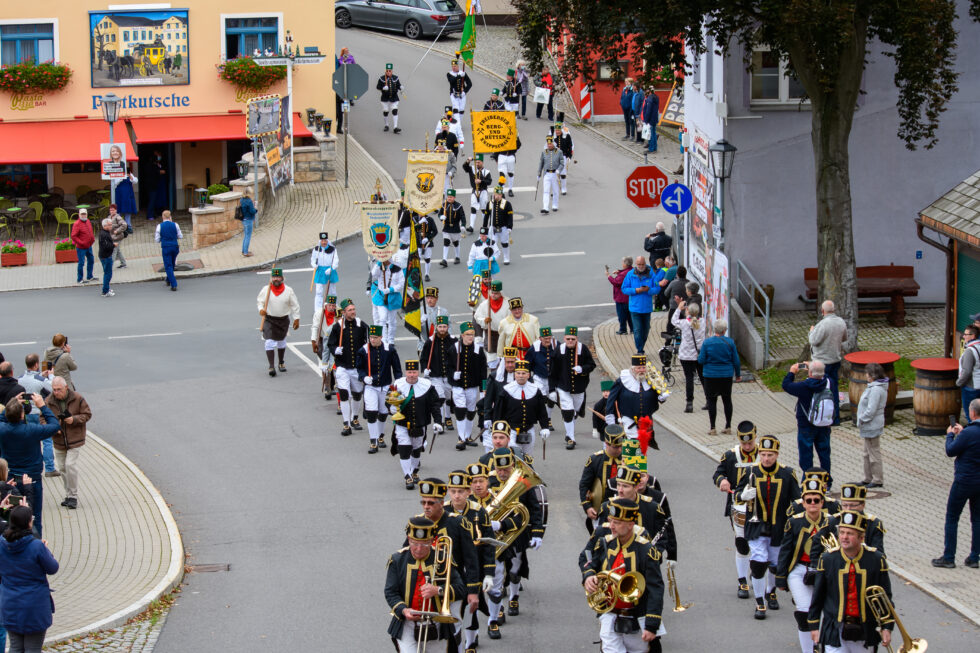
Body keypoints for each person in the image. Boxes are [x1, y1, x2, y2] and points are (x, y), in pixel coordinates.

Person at [582, 497, 665, 652]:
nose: (611, 526)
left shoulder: (646, 550)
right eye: (610, 520)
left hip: (636, 618)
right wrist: (589, 576)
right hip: (610, 614)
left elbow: (656, 588)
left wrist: (651, 625)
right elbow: (590, 562)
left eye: (617, 522)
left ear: (630, 525)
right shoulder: (605, 542)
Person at [413, 478, 484, 650]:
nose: (426, 507)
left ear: (441, 503)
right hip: (424, 587)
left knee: (454, 630)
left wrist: (473, 591)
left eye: (431, 503)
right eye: (423, 502)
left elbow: (471, 560)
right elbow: (408, 554)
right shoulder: (418, 523)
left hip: (452, 586)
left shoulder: (457, 523)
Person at [808, 511, 893, 653]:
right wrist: (814, 625)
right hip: (835, 628)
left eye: (850, 533)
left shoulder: (876, 559)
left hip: (865, 630)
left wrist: (887, 627)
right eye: (842, 532)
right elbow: (818, 596)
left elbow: (885, 598)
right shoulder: (828, 559)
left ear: (861, 537)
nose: (844, 537)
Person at [735, 436, 800, 620]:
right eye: (763, 454)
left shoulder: (787, 474)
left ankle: (771, 591)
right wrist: (744, 495)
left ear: (777, 454)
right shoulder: (751, 471)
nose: (766, 458)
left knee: (774, 564)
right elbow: (737, 496)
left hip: (779, 528)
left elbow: (797, 501)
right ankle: (759, 601)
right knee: (758, 562)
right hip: (756, 527)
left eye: (770, 455)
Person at [384, 516, 464, 652]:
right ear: (408, 540)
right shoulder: (397, 560)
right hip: (407, 624)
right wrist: (404, 610)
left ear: (432, 541)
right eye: (414, 543)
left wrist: (438, 590)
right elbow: (390, 592)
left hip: (436, 622)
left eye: (425, 544)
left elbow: (461, 589)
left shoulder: (442, 558)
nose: (419, 549)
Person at [485, 447, 544, 633]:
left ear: (512, 466)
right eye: (499, 470)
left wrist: (537, 533)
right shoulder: (488, 481)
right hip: (495, 535)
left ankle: (514, 597)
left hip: (517, 533)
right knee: (497, 573)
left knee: (515, 568)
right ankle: (498, 608)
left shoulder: (521, 480)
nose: (503, 474)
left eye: (506, 470)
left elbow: (534, 508)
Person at [775, 478, 829, 653]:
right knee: (804, 612)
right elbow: (785, 551)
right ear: (803, 503)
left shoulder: (832, 523)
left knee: (827, 611)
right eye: (808, 500)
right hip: (799, 570)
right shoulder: (795, 522)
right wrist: (781, 577)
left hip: (824, 572)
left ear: (822, 502)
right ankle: (809, 649)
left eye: (816, 500)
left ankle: (822, 644)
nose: (812, 503)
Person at [0, 505, 59, 653]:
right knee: (33, 649)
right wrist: (46, 550)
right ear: (28, 523)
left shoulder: (2, 543)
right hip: (34, 607)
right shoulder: (36, 546)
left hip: (10, 604)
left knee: (15, 647)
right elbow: (53, 568)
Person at [0, 393, 61, 536]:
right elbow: (55, 425)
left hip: (11, 479)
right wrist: (42, 406)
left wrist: (10, 405)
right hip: (32, 478)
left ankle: (13, 541)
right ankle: (36, 544)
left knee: (10, 513)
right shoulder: (32, 430)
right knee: (34, 516)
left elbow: (1, 418)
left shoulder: (2, 429)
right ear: (22, 415)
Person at [712, 421, 759, 600]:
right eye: (744, 443)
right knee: (742, 543)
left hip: (761, 508)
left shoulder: (764, 454)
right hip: (738, 506)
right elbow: (718, 474)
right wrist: (722, 481)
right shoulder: (731, 456)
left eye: (750, 443)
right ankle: (742, 581)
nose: (747, 447)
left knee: (759, 543)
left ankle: (757, 573)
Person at [932, 397, 980, 568]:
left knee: (952, 517)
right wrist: (962, 432)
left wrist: (950, 435)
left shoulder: (968, 434)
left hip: (964, 481)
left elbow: (951, 451)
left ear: (972, 412)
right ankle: (974, 557)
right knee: (977, 519)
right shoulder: (969, 432)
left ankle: (949, 556)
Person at [389, 360, 444, 489]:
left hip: (420, 424)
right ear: (406, 372)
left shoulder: (427, 386)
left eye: (414, 372)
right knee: (404, 449)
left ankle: (414, 471)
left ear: (418, 372)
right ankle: (407, 476)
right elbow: (389, 400)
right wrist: (390, 408)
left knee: (416, 450)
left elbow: (435, 404)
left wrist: (437, 421)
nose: (412, 375)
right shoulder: (398, 385)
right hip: (402, 424)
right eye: (409, 372)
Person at [45, 377, 91, 512]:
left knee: (70, 465)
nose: (56, 392)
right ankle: (68, 494)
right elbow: (42, 417)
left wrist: (74, 419)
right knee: (62, 467)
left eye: (59, 389)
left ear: (66, 388)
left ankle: (73, 496)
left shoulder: (77, 398)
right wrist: (53, 428)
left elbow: (87, 414)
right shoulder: (49, 400)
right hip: (59, 440)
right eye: (54, 390)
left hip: (74, 438)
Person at [356, 325, 402, 454]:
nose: (372, 340)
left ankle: (380, 436)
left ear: (381, 337)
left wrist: (398, 385)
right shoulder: (363, 350)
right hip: (370, 387)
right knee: (371, 412)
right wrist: (364, 377)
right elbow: (359, 368)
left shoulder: (389, 350)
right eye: (371, 337)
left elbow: (397, 369)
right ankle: (373, 441)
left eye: (375, 337)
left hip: (385, 386)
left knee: (383, 413)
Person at [783, 360, 833, 477]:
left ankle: (809, 480)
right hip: (824, 424)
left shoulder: (803, 386)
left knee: (806, 456)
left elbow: (786, 385)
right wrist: (817, 369)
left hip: (806, 425)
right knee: (824, 454)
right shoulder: (829, 383)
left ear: (809, 373)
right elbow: (825, 376)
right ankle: (826, 482)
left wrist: (792, 372)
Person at [327, 299, 368, 436]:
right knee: (344, 394)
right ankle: (346, 424)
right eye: (350, 310)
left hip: (356, 367)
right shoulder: (337, 327)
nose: (353, 312)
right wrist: (335, 350)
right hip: (342, 366)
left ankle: (355, 418)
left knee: (357, 394)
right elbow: (331, 344)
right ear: (343, 312)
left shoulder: (361, 325)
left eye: (354, 309)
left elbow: (369, 340)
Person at [604, 353, 664, 446]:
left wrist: (662, 397)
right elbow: (611, 400)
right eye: (638, 368)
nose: (641, 371)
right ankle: (631, 460)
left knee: (642, 447)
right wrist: (610, 417)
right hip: (628, 419)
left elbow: (658, 396)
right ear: (632, 369)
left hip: (645, 421)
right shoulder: (622, 381)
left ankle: (636, 460)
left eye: (643, 368)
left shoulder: (651, 381)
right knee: (633, 445)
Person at [493, 360, 550, 457]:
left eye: (524, 373)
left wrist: (545, 427)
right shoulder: (506, 390)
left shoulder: (535, 390)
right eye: (518, 373)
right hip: (511, 430)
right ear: (515, 375)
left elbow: (542, 411)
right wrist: (497, 428)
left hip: (529, 429)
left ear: (528, 375)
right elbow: (499, 411)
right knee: (514, 456)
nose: (521, 376)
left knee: (528, 457)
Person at [579, 425, 626, 532]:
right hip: (601, 511)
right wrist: (588, 507)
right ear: (606, 443)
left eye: (621, 446)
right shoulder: (595, 460)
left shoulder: (628, 459)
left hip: (624, 511)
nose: (619, 450)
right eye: (615, 447)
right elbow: (584, 485)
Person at [15, 356, 56, 478]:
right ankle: (49, 468)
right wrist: (51, 376)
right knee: (47, 441)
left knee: (31, 441)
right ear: (37, 364)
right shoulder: (40, 379)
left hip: (26, 414)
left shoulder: (20, 378)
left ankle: (30, 466)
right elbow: (52, 388)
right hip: (39, 413)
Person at [698, 319, 740, 435]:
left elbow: (701, 360)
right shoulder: (730, 342)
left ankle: (712, 428)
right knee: (727, 400)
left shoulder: (707, 343)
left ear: (714, 330)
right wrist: (738, 375)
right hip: (726, 375)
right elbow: (736, 360)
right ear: (725, 330)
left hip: (710, 376)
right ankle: (728, 426)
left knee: (711, 401)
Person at [808, 301, 847, 425]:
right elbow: (845, 338)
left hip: (822, 363)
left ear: (822, 311)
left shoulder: (822, 324)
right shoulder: (841, 322)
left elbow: (814, 341)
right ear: (834, 309)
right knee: (833, 389)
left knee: (819, 389)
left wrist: (811, 331)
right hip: (835, 359)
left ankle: (819, 417)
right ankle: (835, 418)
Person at [256, 268, 301, 376]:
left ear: (282, 278)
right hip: (269, 319)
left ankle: (281, 362)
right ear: (271, 278)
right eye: (274, 277)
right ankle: (271, 366)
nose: (276, 279)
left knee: (281, 342)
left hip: (283, 320)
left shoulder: (289, 290)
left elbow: (295, 305)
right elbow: (259, 302)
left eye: (278, 277)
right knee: (269, 342)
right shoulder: (266, 289)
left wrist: (297, 318)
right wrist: (261, 310)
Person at [450, 322, 487, 449]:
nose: (470, 337)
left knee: (471, 411)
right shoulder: (454, 348)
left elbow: (483, 371)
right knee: (460, 410)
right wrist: (452, 375)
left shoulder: (478, 349)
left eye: (472, 334)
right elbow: (448, 366)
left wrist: (483, 388)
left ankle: (468, 436)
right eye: (467, 335)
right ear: (462, 335)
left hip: (472, 386)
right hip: (458, 386)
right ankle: (461, 438)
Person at [420, 316, 456, 431]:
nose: (442, 329)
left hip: (450, 375)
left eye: (444, 327)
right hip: (435, 375)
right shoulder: (430, 342)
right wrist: (425, 368)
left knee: (448, 397)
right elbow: (424, 358)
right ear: (436, 327)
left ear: (448, 327)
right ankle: (439, 421)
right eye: (440, 327)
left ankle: (448, 417)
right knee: (439, 397)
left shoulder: (454, 341)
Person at [855, 362, 887, 488]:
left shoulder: (876, 389)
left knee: (874, 453)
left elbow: (871, 409)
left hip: (871, 424)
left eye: (867, 373)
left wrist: (862, 419)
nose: (866, 375)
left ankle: (877, 479)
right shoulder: (874, 387)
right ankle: (868, 478)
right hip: (868, 425)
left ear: (872, 375)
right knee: (866, 453)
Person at [671, 301, 705, 413]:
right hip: (700, 355)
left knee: (689, 378)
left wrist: (678, 308)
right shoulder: (703, 322)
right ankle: (709, 401)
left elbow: (673, 321)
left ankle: (689, 403)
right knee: (703, 378)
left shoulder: (684, 323)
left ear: (688, 311)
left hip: (686, 355)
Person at [621, 256, 657, 354]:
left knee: (645, 330)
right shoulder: (630, 274)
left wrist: (649, 290)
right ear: (635, 264)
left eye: (642, 264)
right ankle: (640, 350)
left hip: (647, 308)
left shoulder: (651, 274)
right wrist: (636, 290)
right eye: (639, 264)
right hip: (635, 308)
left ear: (645, 263)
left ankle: (641, 346)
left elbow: (657, 288)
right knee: (637, 330)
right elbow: (624, 289)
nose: (641, 266)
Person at [370, 258, 405, 346]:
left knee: (392, 320)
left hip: (392, 296)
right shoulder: (379, 267)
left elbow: (401, 284)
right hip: (381, 296)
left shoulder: (397, 268)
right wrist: (378, 263)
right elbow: (373, 274)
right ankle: (384, 340)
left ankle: (391, 340)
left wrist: (390, 289)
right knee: (382, 318)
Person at [496, 298, 540, 362]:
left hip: (529, 353)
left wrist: (538, 353)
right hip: (513, 356)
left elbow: (538, 338)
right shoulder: (504, 323)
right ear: (511, 310)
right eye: (514, 309)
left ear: (522, 308)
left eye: (519, 309)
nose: (517, 311)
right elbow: (501, 341)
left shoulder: (533, 320)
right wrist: (499, 355)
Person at [483, 186, 514, 265]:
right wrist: (484, 228)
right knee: (492, 243)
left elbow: (510, 217)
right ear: (493, 194)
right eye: (496, 194)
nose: (497, 196)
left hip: (503, 228)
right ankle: (493, 257)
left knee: (504, 243)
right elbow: (486, 217)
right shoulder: (490, 203)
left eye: (499, 194)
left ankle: (506, 258)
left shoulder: (507, 204)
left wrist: (510, 227)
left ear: (501, 195)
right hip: (493, 228)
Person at [310, 231, 340, 314]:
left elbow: (336, 260)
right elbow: (313, 259)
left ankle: (334, 307)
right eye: (322, 241)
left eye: (325, 240)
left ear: (327, 241)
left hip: (330, 270)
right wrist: (314, 264)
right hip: (320, 271)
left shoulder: (332, 249)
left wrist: (332, 268)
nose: (324, 242)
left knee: (332, 291)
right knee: (319, 291)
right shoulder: (316, 249)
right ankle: (318, 310)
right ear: (320, 241)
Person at [462, 154, 492, 232]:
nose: (477, 164)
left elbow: (489, 182)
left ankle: (485, 226)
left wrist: (481, 181)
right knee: (473, 208)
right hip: (475, 191)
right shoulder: (472, 169)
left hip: (483, 191)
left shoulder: (486, 172)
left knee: (483, 209)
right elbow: (465, 167)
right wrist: (468, 161)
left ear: (482, 162)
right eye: (476, 162)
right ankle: (471, 226)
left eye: (479, 162)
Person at [155, 210, 182, 291]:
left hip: (166, 247)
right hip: (175, 246)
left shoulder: (159, 226)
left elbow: (157, 240)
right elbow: (180, 236)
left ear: (163, 217)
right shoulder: (175, 225)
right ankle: (168, 279)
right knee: (172, 264)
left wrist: (162, 239)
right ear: (170, 217)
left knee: (168, 266)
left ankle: (174, 284)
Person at [536, 135, 564, 214]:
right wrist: (539, 173)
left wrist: (559, 170)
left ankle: (555, 205)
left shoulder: (559, 152)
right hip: (547, 174)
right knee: (546, 191)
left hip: (555, 174)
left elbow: (562, 163)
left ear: (553, 144)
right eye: (548, 144)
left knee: (555, 191)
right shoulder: (544, 152)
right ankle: (545, 207)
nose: (549, 145)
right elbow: (541, 164)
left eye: (550, 144)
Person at [957, 325, 980, 421]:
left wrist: (958, 383)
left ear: (973, 336)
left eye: (966, 334)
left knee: (971, 415)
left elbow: (966, 371)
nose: (964, 336)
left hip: (971, 387)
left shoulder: (969, 351)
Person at [607, 257, 633, 335]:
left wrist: (608, 276)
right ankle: (633, 329)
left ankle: (623, 329)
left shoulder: (623, 275)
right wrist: (619, 272)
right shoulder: (631, 270)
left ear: (625, 264)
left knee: (622, 315)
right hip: (628, 298)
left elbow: (616, 282)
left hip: (621, 298)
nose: (622, 264)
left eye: (623, 262)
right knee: (629, 315)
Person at [439, 190, 466, 266]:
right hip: (447, 227)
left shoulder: (459, 206)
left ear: (454, 197)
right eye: (448, 197)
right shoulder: (444, 205)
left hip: (455, 227)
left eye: (451, 197)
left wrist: (463, 225)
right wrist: (441, 217)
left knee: (455, 243)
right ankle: (444, 259)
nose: (449, 198)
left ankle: (457, 257)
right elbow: (440, 214)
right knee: (446, 242)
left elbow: (462, 216)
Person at [70, 208, 96, 285]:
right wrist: (81, 243)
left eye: (85, 214)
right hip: (81, 247)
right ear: (79, 215)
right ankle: (80, 279)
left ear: (87, 214)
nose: (83, 215)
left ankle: (89, 276)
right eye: (82, 214)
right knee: (81, 263)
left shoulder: (88, 221)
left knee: (91, 260)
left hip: (89, 246)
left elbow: (90, 231)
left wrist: (92, 239)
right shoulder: (77, 223)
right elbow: (73, 236)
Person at [377, 63, 404, 133]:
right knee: (386, 111)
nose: (388, 72)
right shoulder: (382, 78)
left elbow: (398, 85)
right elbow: (378, 87)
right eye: (387, 71)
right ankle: (386, 125)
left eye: (390, 71)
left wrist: (401, 87)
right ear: (385, 71)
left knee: (395, 111)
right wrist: (383, 88)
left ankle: (395, 127)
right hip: (385, 98)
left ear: (392, 71)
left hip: (394, 98)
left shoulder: (395, 78)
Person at [552, 118, 573, 195]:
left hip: (563, 156)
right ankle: (555, 189)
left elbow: (570, 147)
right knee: (554, 174)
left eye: (558, 130)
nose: (557, 132)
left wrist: (569, 157)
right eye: (556, 130)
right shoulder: (553, 137)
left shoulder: (566, 136)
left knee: (563, 173)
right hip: (554, 156)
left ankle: (563, 188)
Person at [146, 149, 168, 220]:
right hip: (152, 186)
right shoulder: (151, 166)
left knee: (154, 200)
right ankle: (150, 215)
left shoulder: (154, 165)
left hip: (154, 185)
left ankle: (152, 214)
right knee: (152, 201)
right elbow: (159, 172)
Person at [97, 218, 116, 297]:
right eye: (109, 225)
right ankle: (105, 291)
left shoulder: (105, 232)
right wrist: (114, 245)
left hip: (104, 255)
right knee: (108, 274)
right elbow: (106, 246)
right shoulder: (104, 234)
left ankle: (107, 288)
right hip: (106, 256)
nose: (111, 226)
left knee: (107, 273)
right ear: (105, 225)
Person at [108, 204, 128, 269]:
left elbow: (124, 225)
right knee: (118, 250)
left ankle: (109, 267)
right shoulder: (109, 217)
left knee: (114, 251)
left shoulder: (118, 217)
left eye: (113, 210)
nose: (111, 211)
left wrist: (117, 231)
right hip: (112, 237)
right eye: (110, 210)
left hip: (118, 237)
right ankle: (123, 263)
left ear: (116, 210)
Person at [641, 87, 660, 152]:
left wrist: (646, 120)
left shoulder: (649, 99)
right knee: (654, 133)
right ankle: (654, 148)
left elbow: (648, 111)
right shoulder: (656, 97)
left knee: (650, 134)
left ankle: (651, 148)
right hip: (654, 118)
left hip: (650, 119)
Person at [239, 190, 257, 257]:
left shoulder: (241, 200)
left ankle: (244, 251)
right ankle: (246, 253)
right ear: (249, 193)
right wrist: (256, 209)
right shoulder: (249, 201)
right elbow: (252, 211)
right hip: (249, 220)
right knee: (248, 236)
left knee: (246, 235)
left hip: (244, 219)